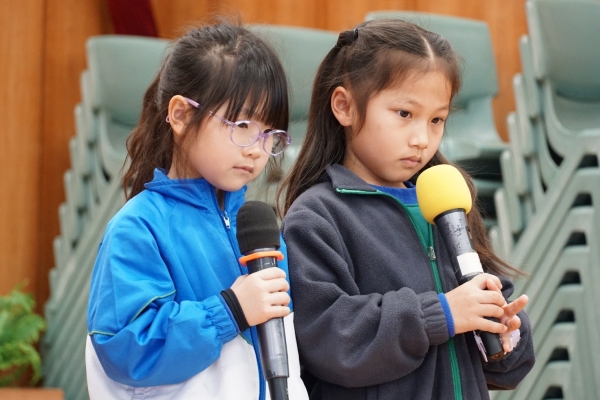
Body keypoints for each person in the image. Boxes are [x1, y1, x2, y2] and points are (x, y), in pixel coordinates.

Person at [279, 19, 535, 400]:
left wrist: (506, 332)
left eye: (437, 120)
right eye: (404, 114)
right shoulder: (316, 217)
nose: (422, 139)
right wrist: (441, 314)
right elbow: (331, 340)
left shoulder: (447, 203)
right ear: (344, 106)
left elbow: (506, 368)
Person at [86, 22, 308, 400]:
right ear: (181, 115)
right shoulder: (138, 227)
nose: (256, 149)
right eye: (242, 124)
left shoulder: (258, 231)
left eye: (269, 134)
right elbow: (127, 350)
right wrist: (230, 310)